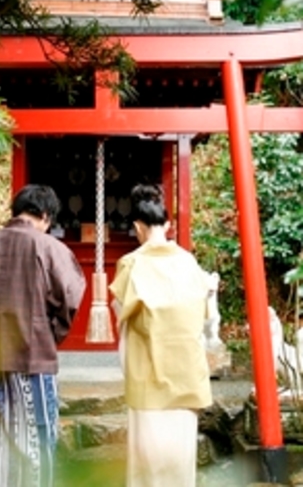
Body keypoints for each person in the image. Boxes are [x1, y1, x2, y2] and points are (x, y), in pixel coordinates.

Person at [0, 184, 86, 487]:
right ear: (45, 216)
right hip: (33, 357)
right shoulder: (49, 247)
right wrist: (50, 335)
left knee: (1, 437)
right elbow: (70, 298)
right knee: (39, 435)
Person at [109, 183, 212, 487]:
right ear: (168, 225)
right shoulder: (188, 263)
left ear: (137, 227)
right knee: (180, 461)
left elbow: (120, 313)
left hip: (148, 372)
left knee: (148, 462)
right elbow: (203, 315)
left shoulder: (131, 264)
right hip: (185, 373)